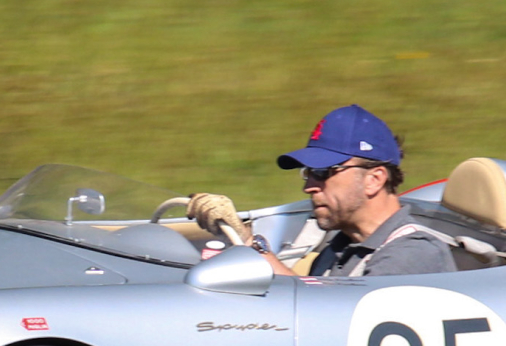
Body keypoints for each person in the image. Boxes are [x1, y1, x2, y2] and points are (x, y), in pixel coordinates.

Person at [188, 105, 457, 278]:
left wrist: (250, 245)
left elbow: (330, 326)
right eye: (308, 173)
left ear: (374, 180)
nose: (308, 186)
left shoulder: (411, 256)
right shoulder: (341, 245)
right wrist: (245, 239)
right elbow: (305, 300)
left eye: (324, 172)